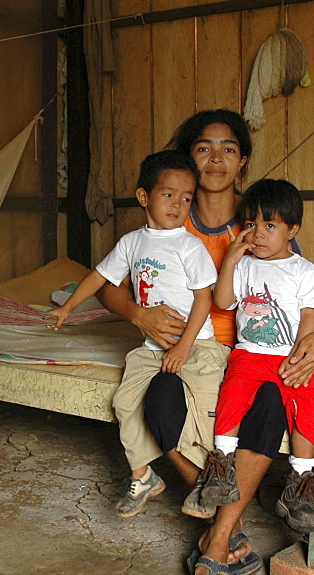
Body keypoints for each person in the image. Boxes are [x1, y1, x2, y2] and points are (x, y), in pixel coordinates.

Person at [99, 110, 314, 575]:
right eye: (203, 147)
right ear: (187, 158)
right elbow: (109, 288)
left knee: (266, 399)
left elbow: (298, 295)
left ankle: (217, 540)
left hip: (248, 350)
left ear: (242, 160)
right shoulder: (169, 214)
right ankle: (230, 518)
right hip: (183, 347)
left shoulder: (262, 215)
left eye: (228, 149)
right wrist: (138, 315)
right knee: (158, 395)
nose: (215, 158)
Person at [48, 149, 229, 519]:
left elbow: (203, 301)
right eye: (168, 195)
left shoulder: (188, 245)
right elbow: (101, 276)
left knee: (206, 410)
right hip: (151, 347)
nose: (178, 205)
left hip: (200, 344)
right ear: (144, 196)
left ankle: (213, 477)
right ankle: (143, 475)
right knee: (125, 403)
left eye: (186, 198)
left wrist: (184, 346)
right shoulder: (133, 242)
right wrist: (67, 307)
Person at [211, 179, 314, 535]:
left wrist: (302, 354)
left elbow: (311, 315)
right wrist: (231, 259)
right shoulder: (244, 265)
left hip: (288, 356)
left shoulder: (303, 270)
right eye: (251, 225)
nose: (258, 234)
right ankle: (221, 464)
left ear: (293, 229)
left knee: (309, 400)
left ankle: (301, 478)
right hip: (250, 352)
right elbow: (222, 302)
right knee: (233, 393)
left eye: (270, 225)